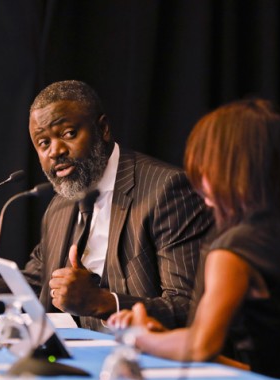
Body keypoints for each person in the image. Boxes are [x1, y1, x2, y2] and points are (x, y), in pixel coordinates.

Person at [107, 98, 280, 379]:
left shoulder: (234, 249)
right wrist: (162, 340)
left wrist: (139, 337)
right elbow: (267, 370)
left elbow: (201, 347)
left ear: (234, 169)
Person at [23, 80, 214, 331]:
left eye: (68, 134)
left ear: (102, 129)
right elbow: (35, 281)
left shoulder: (166, 190)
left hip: (141, 350)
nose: (55, 151)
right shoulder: (60, 205)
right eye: (43, 143)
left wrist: (101, 302)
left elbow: (188, 306)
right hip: (74, 349)